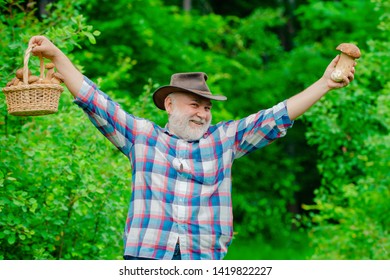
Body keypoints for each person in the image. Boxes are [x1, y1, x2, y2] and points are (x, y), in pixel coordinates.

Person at [28, 35, 355, 260]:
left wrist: (325, 83)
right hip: (147, 257)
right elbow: (95, 100)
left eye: (207, 107)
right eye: (194, 105)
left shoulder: (224, 140)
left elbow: (277, 115)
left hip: (204, 260)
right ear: (170, 104)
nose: (202, 113)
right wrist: (57, 55)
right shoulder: (142, 137)